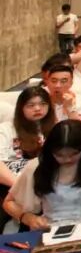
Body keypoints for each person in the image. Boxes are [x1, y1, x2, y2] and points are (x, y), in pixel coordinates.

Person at [4, 120, 81, 230]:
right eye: (59, 155)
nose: (67, 160)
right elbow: (9, 202)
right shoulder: (36, 166)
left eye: (74, 154)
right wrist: (28, 218)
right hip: (50, 228)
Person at [0, 87, 55, 223]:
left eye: (43, 104)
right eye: (31, 105)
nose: (37, 108)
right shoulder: (6, 129)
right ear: (21, 108)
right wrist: (20, 186)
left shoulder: (56, 129)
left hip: (44, 185)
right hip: (10, 184)